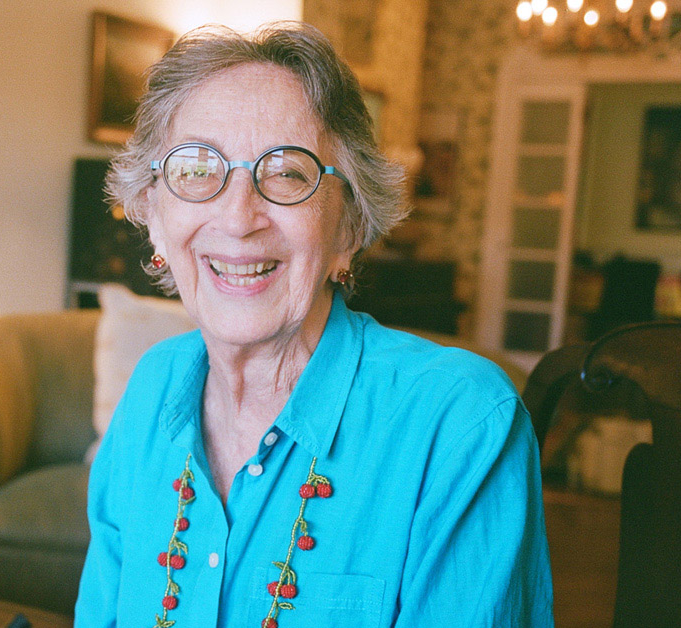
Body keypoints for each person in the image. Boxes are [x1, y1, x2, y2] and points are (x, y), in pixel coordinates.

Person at [76, 22, 553, 627]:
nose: (239, 216)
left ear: (349, 228)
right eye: (196, 168)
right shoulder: (152, 389)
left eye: (286, 173)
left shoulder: (458, 423)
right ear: (152, 217)